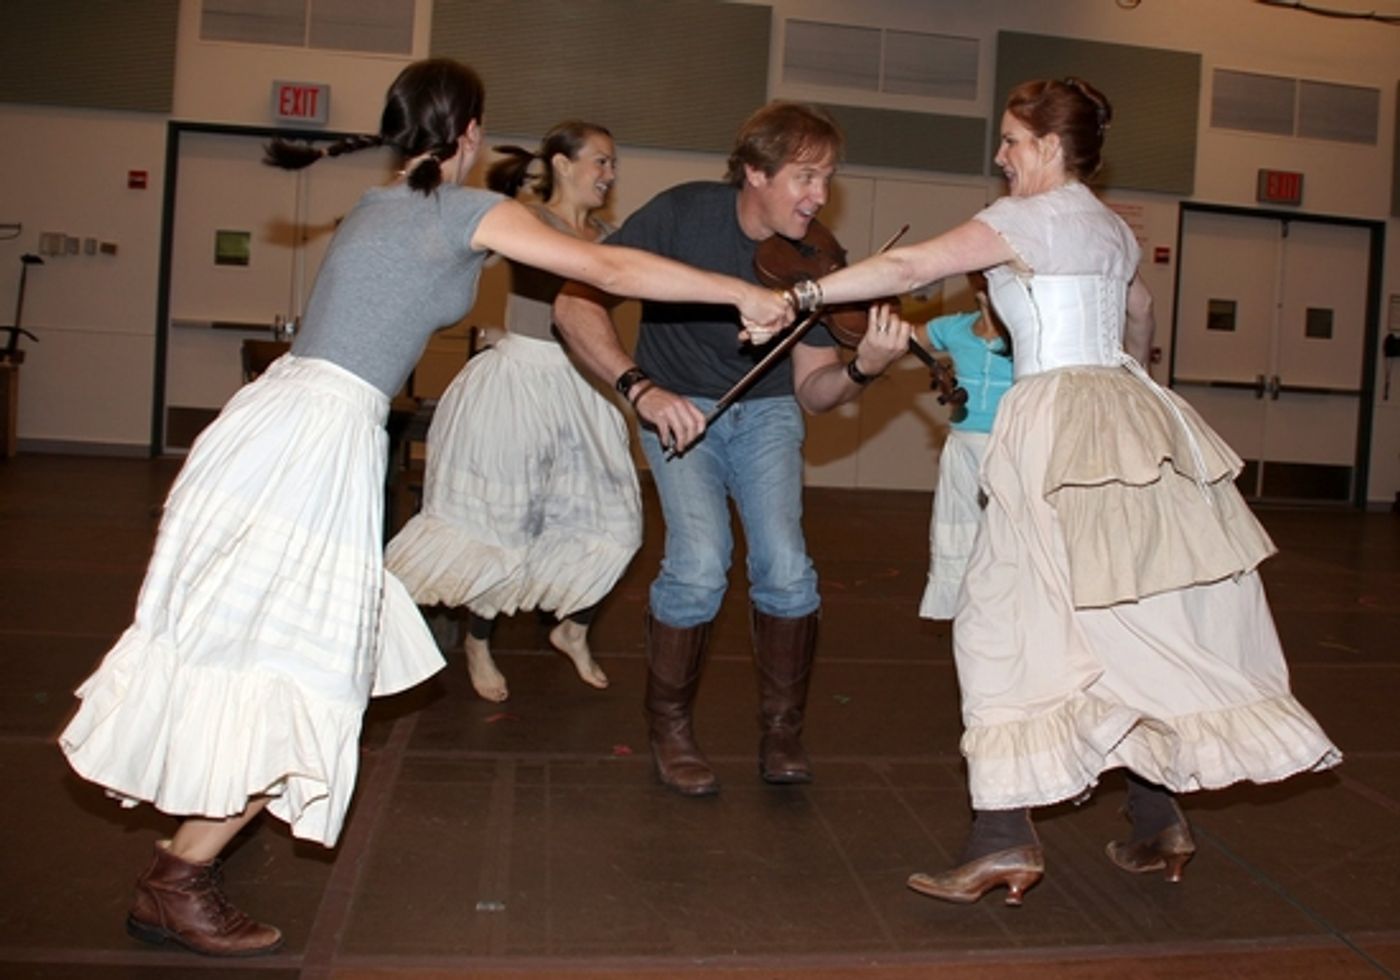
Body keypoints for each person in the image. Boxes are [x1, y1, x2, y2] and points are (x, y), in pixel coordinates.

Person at [57, 59, 790, 958]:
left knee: (267, 647)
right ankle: (179, 877)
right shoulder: (458, 208)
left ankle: (182, 866)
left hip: (273, 422)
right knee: (309, 662)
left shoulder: (380, 204)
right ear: (469, 131)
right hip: (317, 437)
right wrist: (741, 289)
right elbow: (605, 266)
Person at [808, 78, 1341, 905]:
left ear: (1051, 147)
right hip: (1126, 412)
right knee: (1125, 611)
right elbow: (1140, 318)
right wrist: (1131, 390)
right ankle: (1156, 819)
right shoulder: (1111, 228)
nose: (1000, 155)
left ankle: (1002, 838)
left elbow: (911, 264)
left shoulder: (1025, 217)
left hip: (1055, 417)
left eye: (1012, 140)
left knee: (1000, 617)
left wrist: (801, 294)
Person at [553, 101, 913, 798]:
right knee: (698, 565)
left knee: (787, 570)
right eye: (805, 177)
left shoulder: (814, 259)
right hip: (679, 409)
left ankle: (782, 729)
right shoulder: (681, 215)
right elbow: (574, 302)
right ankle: (670, 726)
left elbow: (814, 390)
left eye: (827, 178)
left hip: (768, 413)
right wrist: (639, 388)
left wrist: (865, 368)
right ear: (755, 172)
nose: (820, 196)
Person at [385, 120, 637, 703]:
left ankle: (572, 628)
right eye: (600, 160)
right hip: (521, 378)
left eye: (613, 163)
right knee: (506, 526)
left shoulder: (611, 236)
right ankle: (478, 642)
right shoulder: (525, 220)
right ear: (563, 164)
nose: (609, 173)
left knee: (619, 522)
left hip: (583, 384)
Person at [918, 271, 1013, 619]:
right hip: (963, 448)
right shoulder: (952, 328)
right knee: (957, 532)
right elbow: (902, 340)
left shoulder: (1029, 335)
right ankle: (966, 615)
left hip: (1011, 447)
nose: (987, 282)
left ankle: (1007, 614)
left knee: (1009, 537)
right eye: (981, 275)